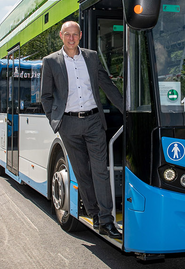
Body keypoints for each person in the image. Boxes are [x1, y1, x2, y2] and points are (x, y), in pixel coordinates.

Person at [40, 21, 124, 239]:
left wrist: (127, 110)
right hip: (68, 124)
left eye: (74, 34)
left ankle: (106, 221)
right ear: (61, 36)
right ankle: (95, 213)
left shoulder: (92, 57)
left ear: (80, 36)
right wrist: (55, 121)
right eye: (67, 34)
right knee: (82, 172)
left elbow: (107, 85)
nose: (71, 38)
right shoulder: (50, 62)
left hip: (94, 121)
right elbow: (46, 96)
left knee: (100, 171)